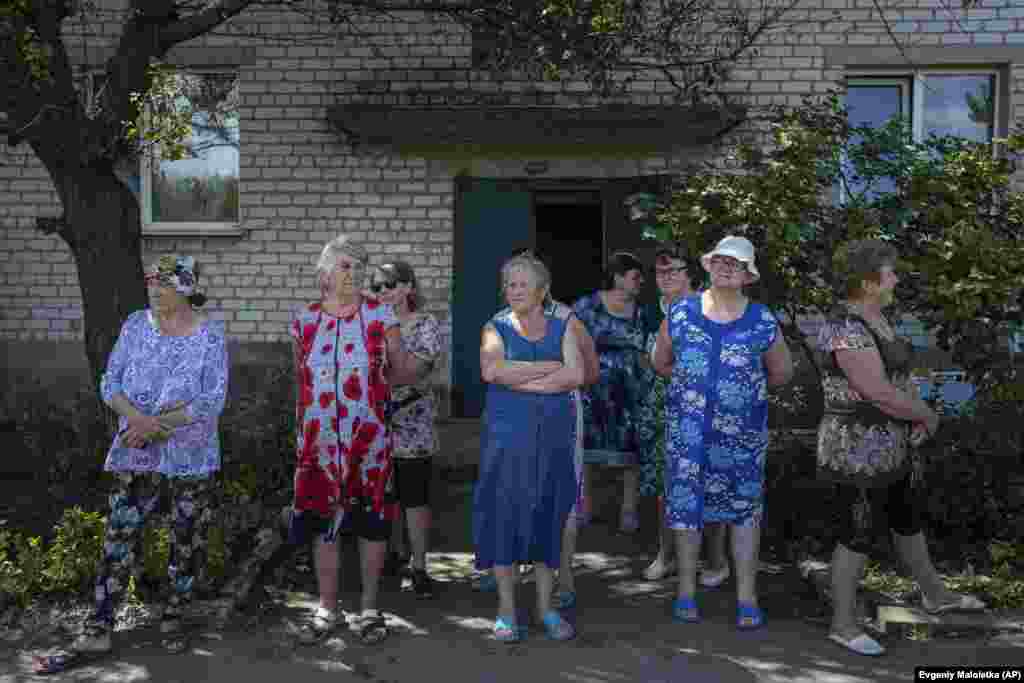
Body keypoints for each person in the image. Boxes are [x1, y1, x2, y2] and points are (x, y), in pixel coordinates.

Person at [34, 255, 228, 674]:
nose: (155, 291)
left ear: (187, 288)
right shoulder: (136, 325)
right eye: (152, 283)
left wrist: (157, 424)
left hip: (188, 455)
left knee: (186, 538)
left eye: (165, 284)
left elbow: (212, 399)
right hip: (135, 447)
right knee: (119, 536)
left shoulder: (210, 336)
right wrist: (137, 420)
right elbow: (111, 382)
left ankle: (174, 618)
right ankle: (100, 623)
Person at [817, 239, 986, 656]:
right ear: (867, 280)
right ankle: (842, 624)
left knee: (906, 518)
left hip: (891, 443)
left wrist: (914, 414)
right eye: (888, 271)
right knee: (856, 532)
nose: (896, 276)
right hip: (856, 448)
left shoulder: (878, 318)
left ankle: (935, 596)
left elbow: (895, 383)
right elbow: (877, 392)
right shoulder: (845, 327)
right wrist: (926, 415)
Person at [652, 235, 794, 630]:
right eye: (720, 260)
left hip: (742, 437)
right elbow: (661, 362)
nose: (727, 267)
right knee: (685, 507)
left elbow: (782, 372)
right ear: (709, 265)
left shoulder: (762, 319)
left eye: (737, 263)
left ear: (748, 276)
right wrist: (693, 392)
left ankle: (747, 597)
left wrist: (741, 396)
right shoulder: (680, 312)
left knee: (744, 510)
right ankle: (685, 591)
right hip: (688, 433)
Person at [289, 235, 420, 645]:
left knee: (372, 525)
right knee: (323, 525)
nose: (353, 273)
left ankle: (368, 608)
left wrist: (371, 404)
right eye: (345, 265)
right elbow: (301, 380)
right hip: (319, 444)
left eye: (359, 267)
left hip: (370, 444)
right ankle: (326, 607)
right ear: (324, 271)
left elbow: (399, 372)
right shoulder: (304, 321)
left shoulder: (382, 318)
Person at [474, 252, 585, 642]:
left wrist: (518, 378)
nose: (515, 290)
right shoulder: (494, 327)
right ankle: (506, 612)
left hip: (553, 441)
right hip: (507, 441)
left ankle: (546, 609)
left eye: (522, 284)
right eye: (509, 284)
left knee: (547, 516)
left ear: (542, 290)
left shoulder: (563, 325)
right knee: (504, 516)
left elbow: (577, 374)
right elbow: (492, 371)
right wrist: (548, 369)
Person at [637, 245, 730, 585]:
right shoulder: (652, 310)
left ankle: (717, 560)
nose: (666, 277)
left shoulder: (709, 307)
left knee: (711, 482)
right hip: (660, 403)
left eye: (673, 270)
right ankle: (667, 555)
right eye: (660, 272)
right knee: (667, 484)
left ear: (691, 273)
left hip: (704, 402)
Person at [370, 261, 444, 599]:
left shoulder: (425, 323)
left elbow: (418, 370)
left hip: (412, 426)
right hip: (375, 426)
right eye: (376, 287)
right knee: (386, 497)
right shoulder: (369, 323)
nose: (382, 292)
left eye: (389, 284)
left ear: (408, 287)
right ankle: (394, 559)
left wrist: (375, 384)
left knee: (414, 497)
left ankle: (420, 567)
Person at [573, 252, 653, 534]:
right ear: (618, 277)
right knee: (587, 450)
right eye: (635, 276)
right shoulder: (587, 306)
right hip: (593, 388)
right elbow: (569, 342)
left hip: (629, 391)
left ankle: (628, 511)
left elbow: (645, 349)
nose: (640, 282)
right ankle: (584, 508)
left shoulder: (641, 311)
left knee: (631, 453)